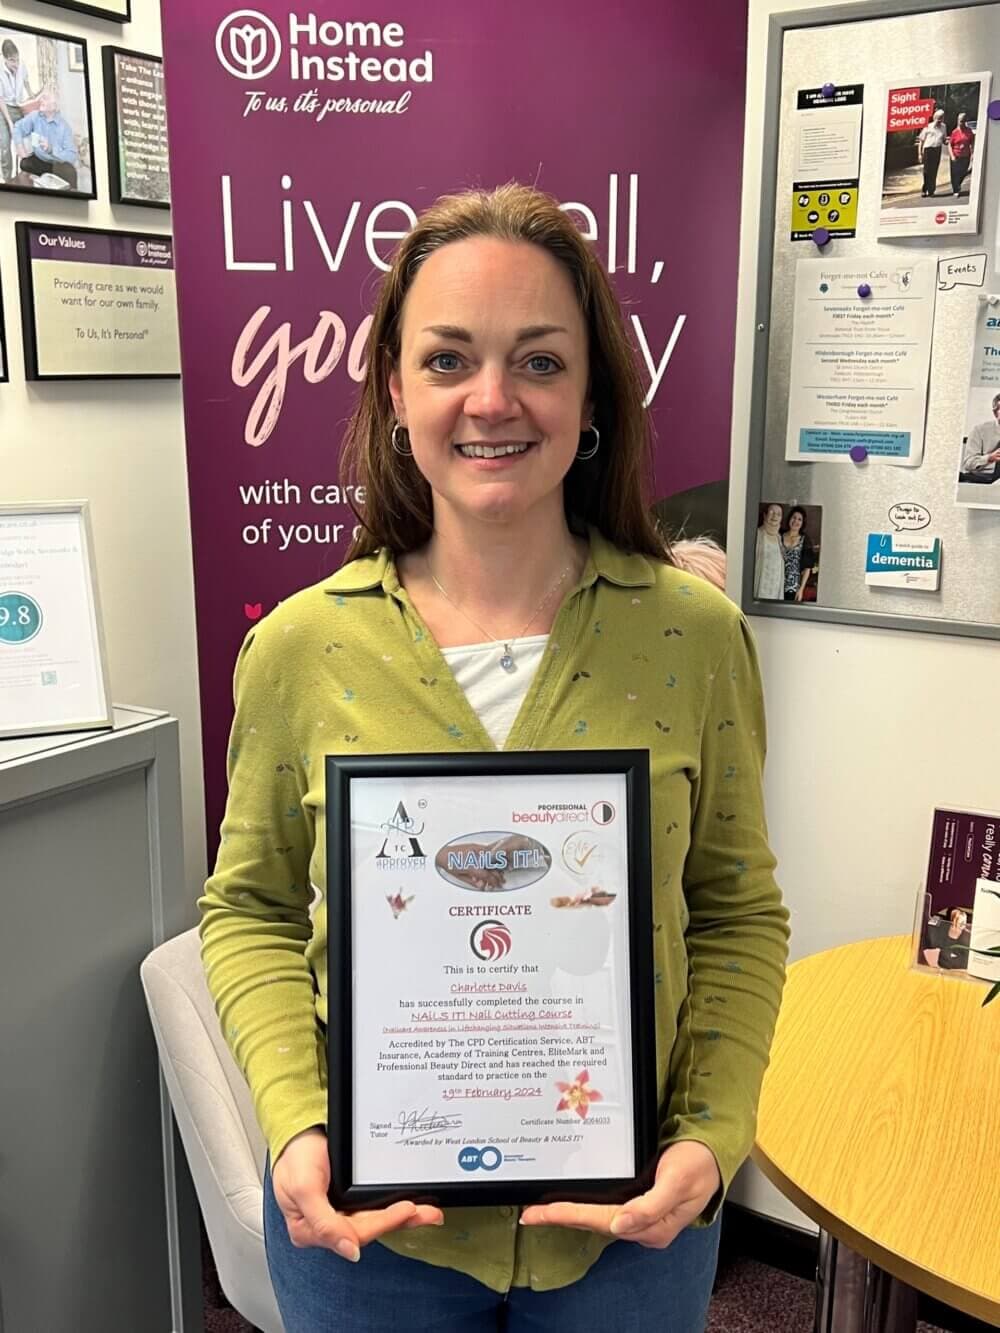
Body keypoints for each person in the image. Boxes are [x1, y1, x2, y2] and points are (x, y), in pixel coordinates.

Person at [200, 183, 789, 1332]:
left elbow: (734, 911)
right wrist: (294, 1118)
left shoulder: (693, 635)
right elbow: (252, 911)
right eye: (448, 359)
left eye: (538, 361)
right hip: (378, 1241)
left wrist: (712, 1137)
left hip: (628, 1235)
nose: (491, 400)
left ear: (591, 392)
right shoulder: (300, 646)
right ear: (393, 387)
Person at [13, 87, 79, 190]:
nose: (41, 100)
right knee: (24, 164)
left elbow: (72, 156)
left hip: (57, 165)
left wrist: (51, 149)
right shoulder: (35, 116)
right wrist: (20, 147)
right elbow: (18, 127)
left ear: (55, 106)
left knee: (69, 173)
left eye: (46, 98)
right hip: (38, 161)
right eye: (42, 97)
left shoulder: (64, 127)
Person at [0, 38, 36, 182]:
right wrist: (9, 122)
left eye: (17, 59)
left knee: (25, 142)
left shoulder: (22, 65)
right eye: (12, 60)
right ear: (4, 58)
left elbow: (26, 80)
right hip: (4, 110)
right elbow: (0, 100)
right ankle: (7, 180)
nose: (16, 64)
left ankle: (25, 175)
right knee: (5, 145)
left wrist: (31, 94)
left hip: (19, 106)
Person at [780, 507, 816, 603]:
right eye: (794, 517)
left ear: (802, 523)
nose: (796, 521)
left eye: (799, 519)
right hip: (777, 584)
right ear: (789, 519)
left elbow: (807, 569)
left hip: (794, 588)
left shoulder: (805, 540)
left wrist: (801, 590)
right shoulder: (779, 535)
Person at [961, 393, 1000, 481]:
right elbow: (968, 464)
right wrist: (989, 458)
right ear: (995, 412)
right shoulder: (979, 431)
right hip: (984, 479)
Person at [753, 502, 784, 600]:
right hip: (759, 590)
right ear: (765, 515)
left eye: (778, 514)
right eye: (771, 512)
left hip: (775, 590)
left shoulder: (780, 538)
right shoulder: (757, 534)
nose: (775, 516)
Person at [917, 109, 947, 198]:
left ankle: (931, 191)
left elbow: (944, 139)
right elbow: (921, 141)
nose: (940, 120)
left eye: (942, 118)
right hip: (928, 150)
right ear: (935, 118)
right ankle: (924, 189)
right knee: (926, 171)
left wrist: (947, 142)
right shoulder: (928, 127)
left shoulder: (944, 127)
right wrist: (919, 154)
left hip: (937, 150)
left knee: (934, 171)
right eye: (939, 118)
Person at [947, 111, 975, 197]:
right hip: (956, 156)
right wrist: (952, 156)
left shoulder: (969, 131)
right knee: (955, 174)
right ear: (957, 121)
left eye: (963, 121)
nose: (961, 123)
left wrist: (973, 153)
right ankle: (956, 189)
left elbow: (972, 142)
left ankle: (958, 185)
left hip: (966, 156)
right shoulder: (954, 132)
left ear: (965, 121)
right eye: (960, 121)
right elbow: (949, 145)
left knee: (963, 172)